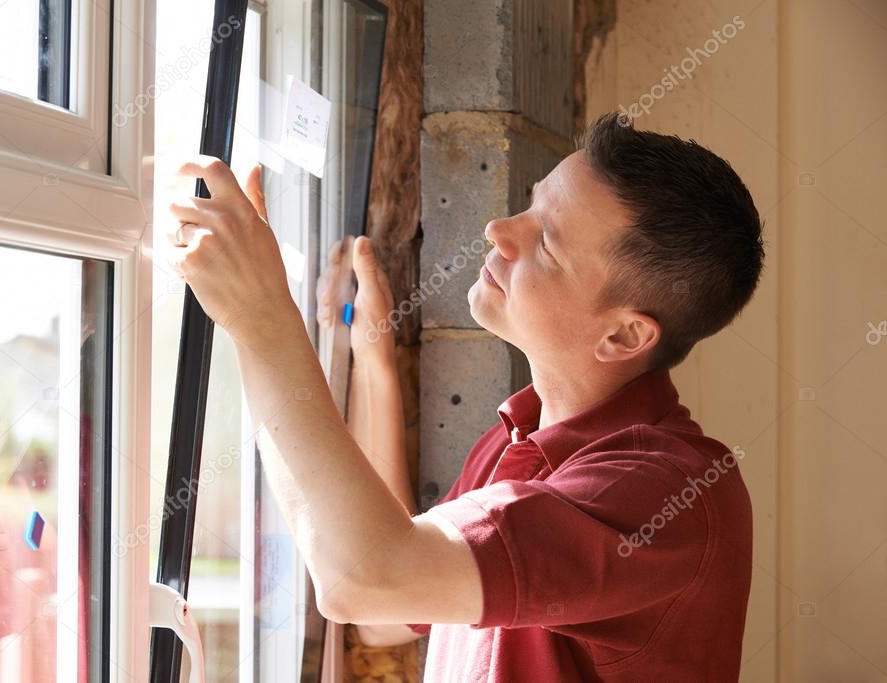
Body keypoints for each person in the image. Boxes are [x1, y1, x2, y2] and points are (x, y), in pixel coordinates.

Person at [166, 112, 764, 681]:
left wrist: (260, 313)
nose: (500, 231)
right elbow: (390, 612)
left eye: (548, 244)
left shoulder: (668, 494)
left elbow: (366, 579)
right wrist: (374, 361)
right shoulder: (515, 441)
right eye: (530, 204)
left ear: (625, 334)